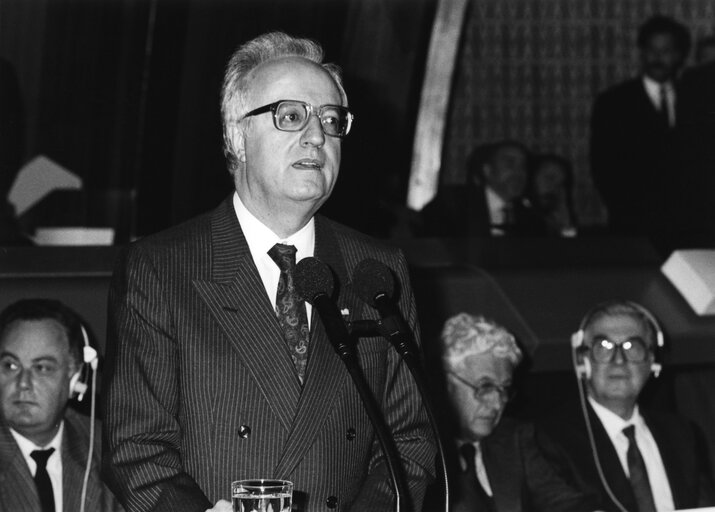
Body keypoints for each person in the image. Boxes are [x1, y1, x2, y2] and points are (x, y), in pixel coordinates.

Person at [102, 31, 435, 512]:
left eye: (330, 119)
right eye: (291, 116)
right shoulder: (160, 268)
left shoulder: (377, 270)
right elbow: (136, 448)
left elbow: (411, 439)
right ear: (236, 136)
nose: (317, 136)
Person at [535, 300, 715, 511]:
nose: (618, 360)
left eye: (632, 347)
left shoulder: (682, 433)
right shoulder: (550, 439)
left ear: (652, 362)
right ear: (583, 362)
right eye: (603, 347)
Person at [424, 312, 598, 512]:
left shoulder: (514, 438)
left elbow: (565, 503)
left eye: (504, 389)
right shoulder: (420, 451)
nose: (498, 402)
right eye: (485, 387)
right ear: (444, 384)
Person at [0, 298, 123, 511]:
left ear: (74, 379)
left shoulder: (110, 451)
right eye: (11, 365)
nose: (23, 384)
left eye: (42, 368)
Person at [590, 15, 690, 248]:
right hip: (634, 226)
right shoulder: (614, 102)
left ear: (679, 55)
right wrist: (629, 213)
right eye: (651, 50)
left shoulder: (694, 98)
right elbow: (603, 168)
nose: (657, 58)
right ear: (641, 52)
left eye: (666, 51)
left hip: (687, 228)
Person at [420, 140, 545, 237]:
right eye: (510, 163)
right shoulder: (453, 203)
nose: (519, 173)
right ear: (487, 170)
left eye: (523, 166)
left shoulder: (530, 215)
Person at [527, 153, 578, 237]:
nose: (554, 187)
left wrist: (566, 224)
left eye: (560, 184)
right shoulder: (513, 216)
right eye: (550, 178)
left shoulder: (555, 216)